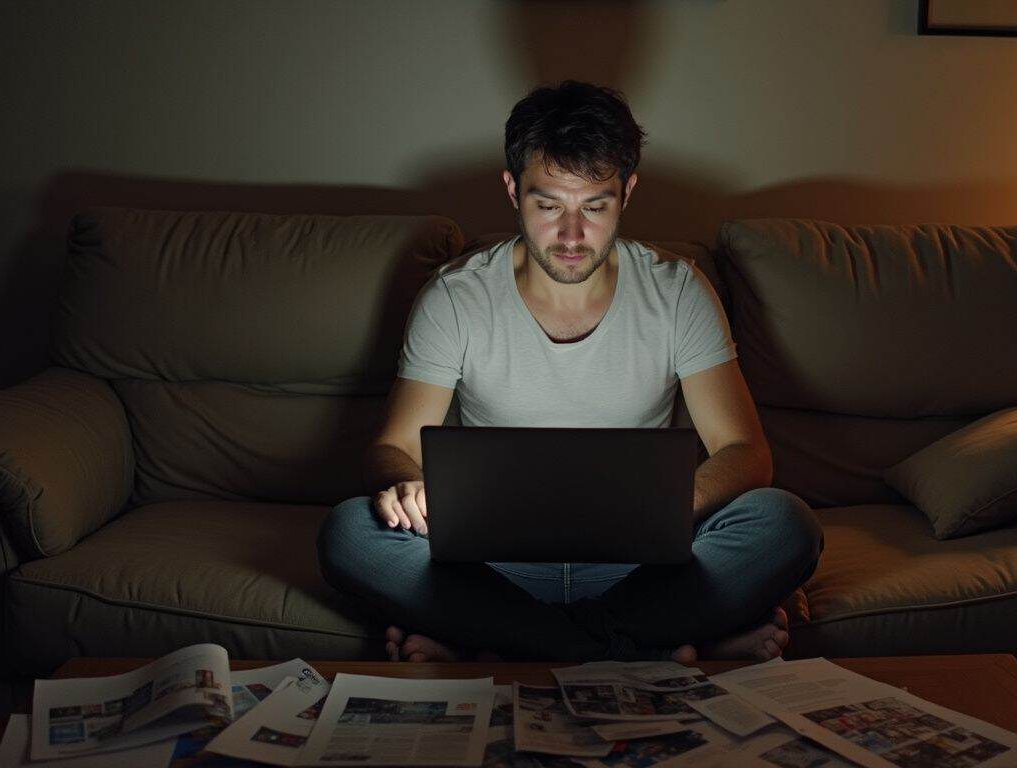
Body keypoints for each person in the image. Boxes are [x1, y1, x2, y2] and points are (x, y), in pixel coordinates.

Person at [317, 80, 822, 663]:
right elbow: (392, 446)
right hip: (491, 563)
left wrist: (669, 505)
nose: (572, 236)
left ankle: (497, 643)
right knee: (350, 531)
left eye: (595, 206)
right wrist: (405, 484)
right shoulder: (455, 297)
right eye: (548, 205)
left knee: (785, 523)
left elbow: (746, 451)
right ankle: (647, 646)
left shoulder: (678, 290)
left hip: (643, 562)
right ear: (513, 190)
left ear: (628, 192)